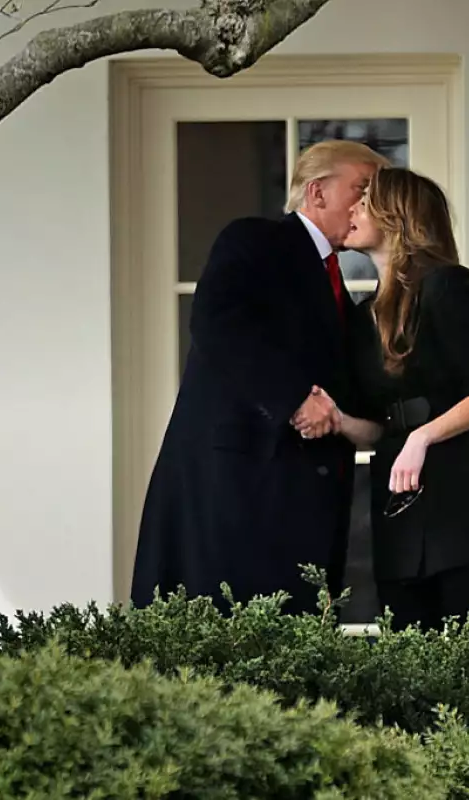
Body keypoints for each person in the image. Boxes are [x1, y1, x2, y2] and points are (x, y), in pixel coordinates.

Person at [131, 140, 389, 615]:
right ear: (317, 192)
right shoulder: (256, 241)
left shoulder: (348, 291)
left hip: (304, 507)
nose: (370, 203)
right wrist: (294, 398)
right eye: (362, 188)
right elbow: (217, 323)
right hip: (237, 491)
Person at [295, 167, 469, 637]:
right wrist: (337, 420)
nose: (352, 210)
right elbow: (374, 426)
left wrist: (421, 438)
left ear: (395, 215)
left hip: (461, 499)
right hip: (398, 503)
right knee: (408, 659)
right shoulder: (363, 318)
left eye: (365, 202)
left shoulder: (447, 286)